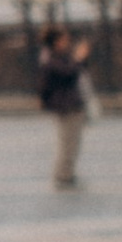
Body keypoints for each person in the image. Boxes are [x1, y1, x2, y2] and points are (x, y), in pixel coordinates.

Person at [36, 17, 93, 189]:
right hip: (65, 105)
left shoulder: (59, 56)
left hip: (70, 104)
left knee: (72, 142)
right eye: (64, 39)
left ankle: (67, 173)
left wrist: (80, 58)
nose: (67, 42)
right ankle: (63, 175)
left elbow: (77, 70)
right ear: (57, 41)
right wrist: (79, 57)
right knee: (67, 142)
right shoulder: (51, 58)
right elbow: (69, 73)